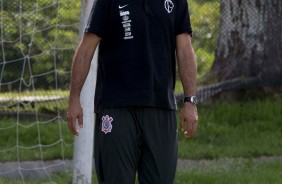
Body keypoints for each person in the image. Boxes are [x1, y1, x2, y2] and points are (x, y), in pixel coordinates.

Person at [67, 0, 198, 183]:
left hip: (160, 108)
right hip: (116, 107)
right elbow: (86, 48)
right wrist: (74, 99)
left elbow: (185, 50)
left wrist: (190, 101)